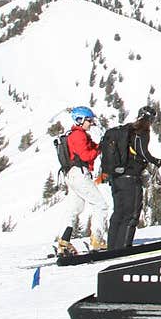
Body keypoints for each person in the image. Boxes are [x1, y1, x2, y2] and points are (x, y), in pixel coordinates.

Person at [107, 105, 161, 251]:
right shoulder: (141, 131)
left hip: (116, 178)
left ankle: (112, 248)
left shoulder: (126, 130)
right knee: (132, 214)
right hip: (130, 177)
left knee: (118, 213)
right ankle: (123, 248)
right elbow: (142, 151)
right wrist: (156, 161)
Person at [54, 106, 111, 254]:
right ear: (80, 120)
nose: (91, 123)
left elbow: (91, 149)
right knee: (100, 205)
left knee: (75, 208)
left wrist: (99, 146)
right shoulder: (78, 135)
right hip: (79, 174)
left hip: (72, 175)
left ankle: (64, 241)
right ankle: (97, 239)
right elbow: (86, 155)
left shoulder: (77, 134)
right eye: (89, 120)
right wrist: (99, 150)